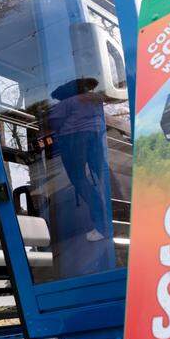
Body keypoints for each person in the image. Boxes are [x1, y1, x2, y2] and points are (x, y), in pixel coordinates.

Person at [47, 77, 109, 244]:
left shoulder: (66, 103)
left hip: (73, 139)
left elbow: (53, 123)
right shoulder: (96, 100)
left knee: (79, 179)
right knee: (101, 173)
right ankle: (114, 215)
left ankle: (101, 225)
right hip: (96, 135)